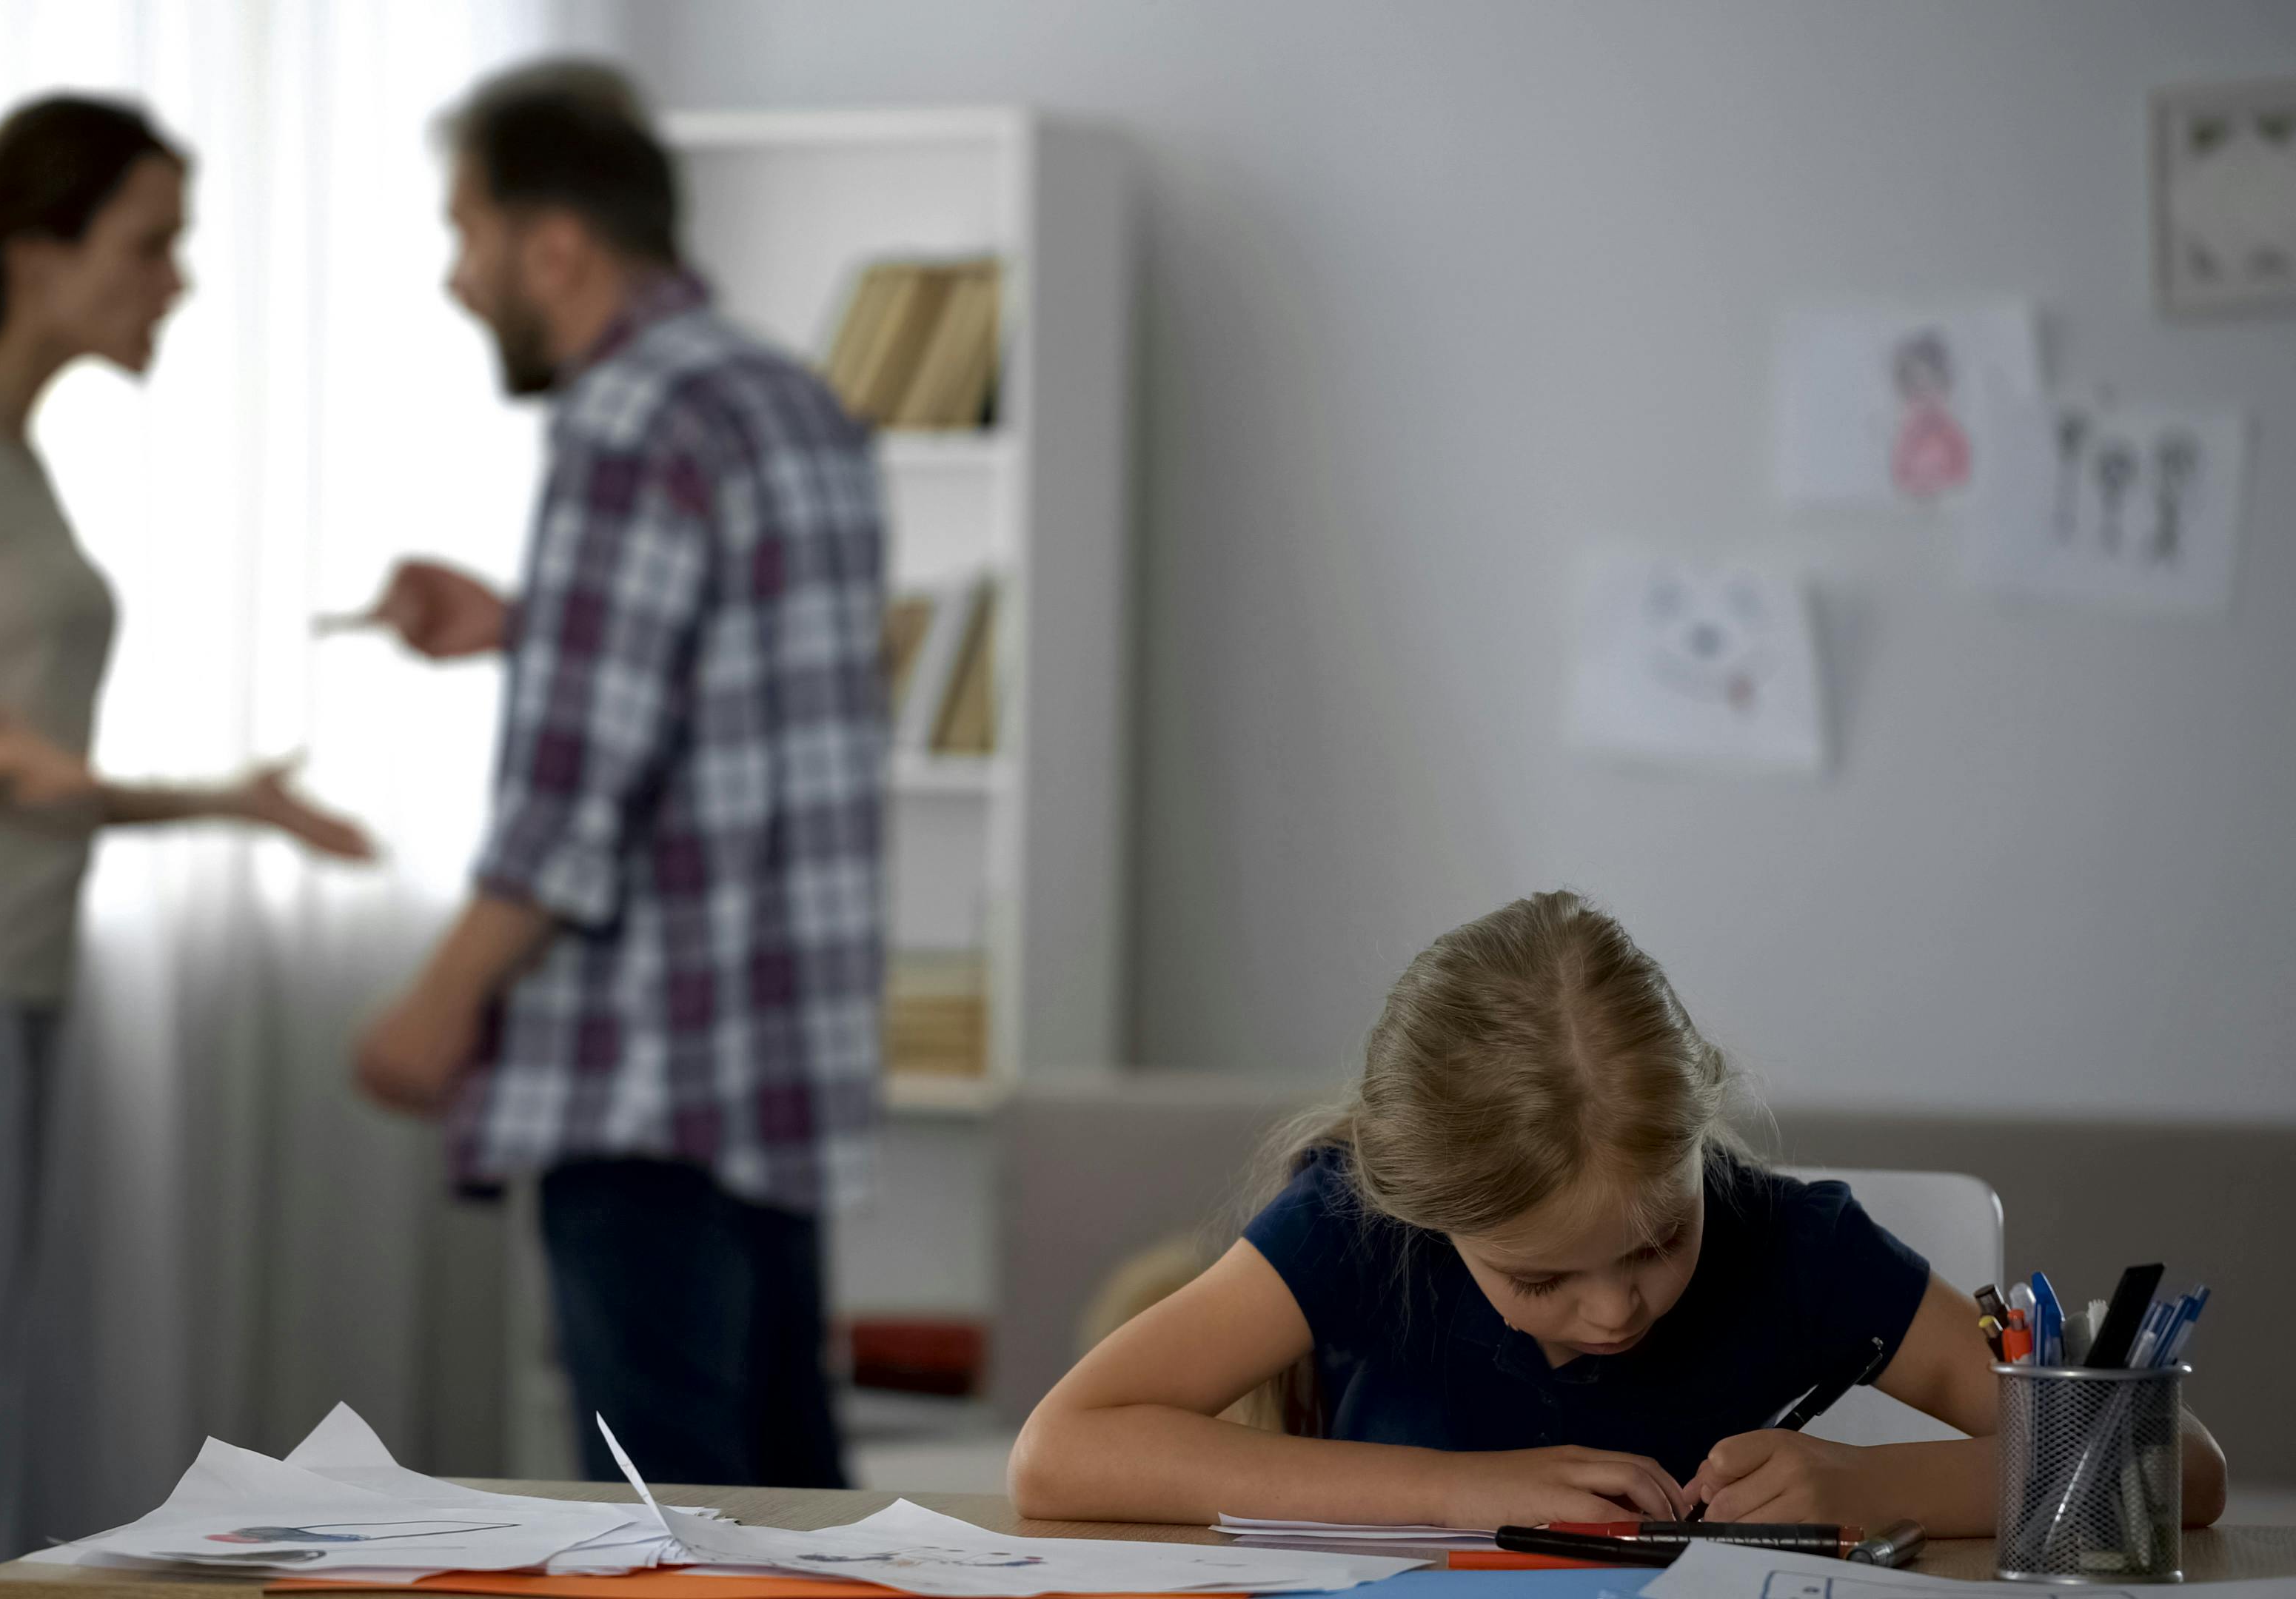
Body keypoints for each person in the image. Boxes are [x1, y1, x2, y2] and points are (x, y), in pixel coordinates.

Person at [0, 95, 373, 1599]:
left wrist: (229, 802)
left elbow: (31, 778)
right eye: (150, 243)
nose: (174, 279)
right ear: (38, 247)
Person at [1008, 890, 2230, 1533]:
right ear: (1427, 1214)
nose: (1612, 1308)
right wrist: (1454, 1492)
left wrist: (1876, 1489)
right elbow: (1062, 1452)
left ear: (1702, 1143)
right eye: (1538, 1280)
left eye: (1657, 1241)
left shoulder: (1801, 1251)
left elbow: (2182, 1473)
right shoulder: (1353, 1225)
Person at [349, 60, 887, 1489]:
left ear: (556, 242)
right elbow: (744, 686)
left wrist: (434, 1004)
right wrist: (525, 627)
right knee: (784, 1522)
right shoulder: (790, 398)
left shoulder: (623, 418)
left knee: (660, 1538)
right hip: (777, 1066)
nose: (459, 280)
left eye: (466, 234)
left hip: (645, 1084)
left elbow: (575, 794)